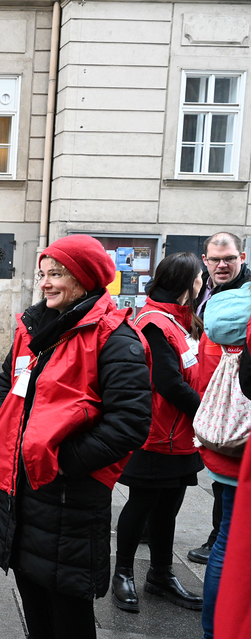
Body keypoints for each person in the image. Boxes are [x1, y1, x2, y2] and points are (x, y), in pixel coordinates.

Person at [0, 233, 151, 639]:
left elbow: (129, 424)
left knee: (69, 614)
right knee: (33, 599)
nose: (45, 283)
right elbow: (6, 384)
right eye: (42, 274)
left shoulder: (115, 337)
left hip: (68, 496)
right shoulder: (33, 327)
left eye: (55, 274)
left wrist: (61, 462)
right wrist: (6, 431)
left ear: (83, 279)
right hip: (20, 487)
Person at [111, 252, 205, 614]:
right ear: (189, 282)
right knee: (142, 505)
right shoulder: (155, 322)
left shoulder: (179, 320)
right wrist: (207, 413)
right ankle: (122, 574)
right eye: (199, 276)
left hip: (180, 436)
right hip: (157, 434)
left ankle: (161, 574)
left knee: (168, 509)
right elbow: (168, 383)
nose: (203, 282)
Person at [196, 280, 251, 639]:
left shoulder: (220, 323)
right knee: (231, 540)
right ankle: (218, 632)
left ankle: (212, 632)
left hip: (221, 444)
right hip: (240, 450)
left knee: (224, 537)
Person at [189, 232, 250, 565]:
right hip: (215, 398)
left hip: (237, 403)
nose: (222, 265)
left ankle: (219, 541)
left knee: (229, 483)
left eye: (229, 259)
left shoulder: (242, 295)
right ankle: (219, 538)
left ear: (242, 257)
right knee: (221, 483)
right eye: (215, 259)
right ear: (206, 261)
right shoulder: (210, 291)